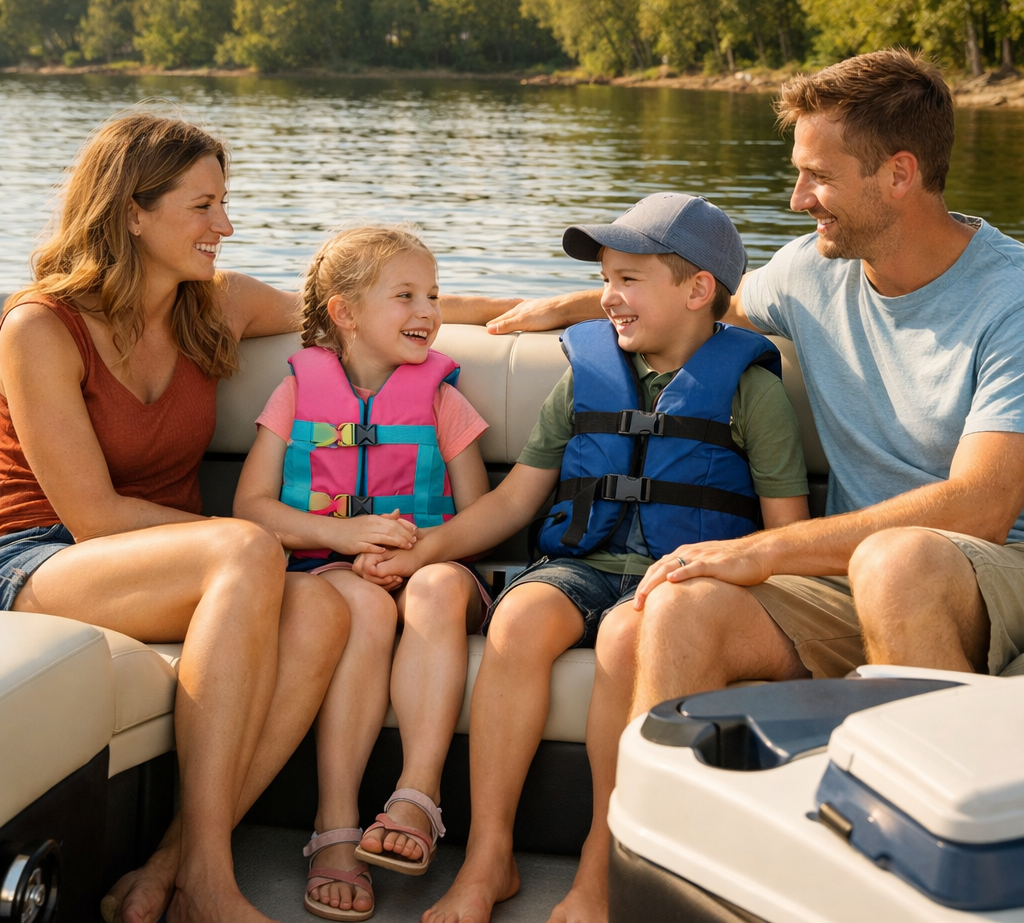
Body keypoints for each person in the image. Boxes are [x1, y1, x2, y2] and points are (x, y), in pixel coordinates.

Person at [480, 49, 1024, 923]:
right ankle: (637, 888)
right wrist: (575, 305)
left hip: (986, 578)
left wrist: (763, 551)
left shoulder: (1011, 298)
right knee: (677, 604)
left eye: (818, 176)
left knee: (898, 563)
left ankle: (922, 897)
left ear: (899, 175)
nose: (798, 199)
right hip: (847, 580)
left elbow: (984, 506)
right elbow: (702, 302)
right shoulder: (813, 271)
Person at [359, 193, 810, 923]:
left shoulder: (753, 393)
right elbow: (515, 502)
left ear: (698, 290)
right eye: (604, 279)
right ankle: (487, 859)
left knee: (630, 636)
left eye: (628, 280)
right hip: (583, 565)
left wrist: (720, 572)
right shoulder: (586, 377)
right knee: (519, 620)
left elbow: (786, 535)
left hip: (678, 582)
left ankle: (599, 870)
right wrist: (421, 552)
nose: (607, 297)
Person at [0, 112, 357, 923]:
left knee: (323, 609)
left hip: (175, 566)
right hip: (36, 560)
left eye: (223, 203)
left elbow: (361, 308)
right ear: (132, 212)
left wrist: (572, 307)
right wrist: (253, 539)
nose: (224, 226)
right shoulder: (40, 327)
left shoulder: (216, 305)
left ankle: (174, 868)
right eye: (203, 206)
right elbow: (92, 518)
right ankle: (212, 881)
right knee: (247, 551)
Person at [233, 225, 492, 920]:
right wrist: (342, 537)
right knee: (364, 603)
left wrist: (417, 554)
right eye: (405, 295)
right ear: (345, 313)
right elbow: (251, 507)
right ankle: (338, 826)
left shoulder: (441, 398)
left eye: (433, 295)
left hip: (435, 569)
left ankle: (417, 797)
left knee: (435, 589)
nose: (428, 311)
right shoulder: (296, 393)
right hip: (336, 571)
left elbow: (481, 517)